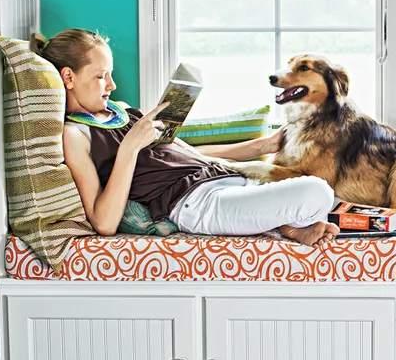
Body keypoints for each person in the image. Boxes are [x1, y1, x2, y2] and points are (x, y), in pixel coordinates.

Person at [30, 28, 339, 247]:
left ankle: (286, 226)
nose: (111, 85)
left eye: (109, 74)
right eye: (100, 76)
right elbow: (104, 222)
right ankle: (284, 222)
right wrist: (130, 147)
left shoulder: (124, 111)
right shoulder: (76, 134)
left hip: (226, 180)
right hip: (196, 203)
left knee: (327, 193)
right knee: (317, 193)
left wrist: (262, 146)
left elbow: (196, 155)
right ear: (68, 77)